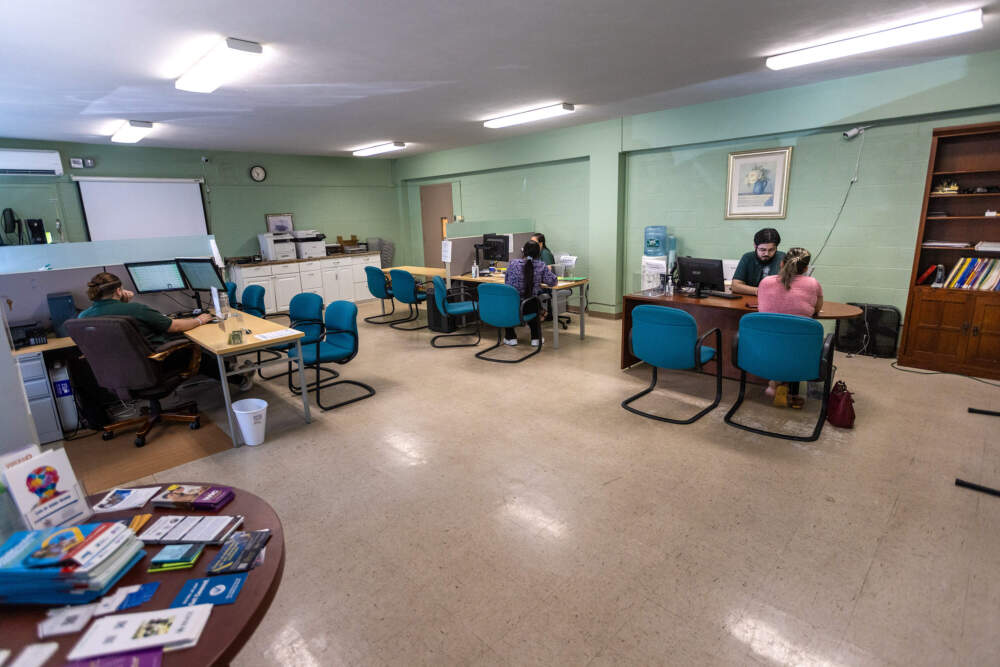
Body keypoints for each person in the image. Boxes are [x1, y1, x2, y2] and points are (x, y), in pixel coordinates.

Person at [78, 272, 250, 390]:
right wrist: (199, 319)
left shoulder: (83, 318)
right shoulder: (135, 309)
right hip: (154, 362)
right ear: (118, 291)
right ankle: (240, 379)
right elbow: (173, 326)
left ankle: (232, 370)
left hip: (119, 371)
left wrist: (123, 302)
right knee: (195, 351)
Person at [756, 247, 823, 408]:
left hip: (764, 345)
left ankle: (776, 383)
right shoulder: (812, 283)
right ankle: (787, 388)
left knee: (779, 338)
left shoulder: (765, 282)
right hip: (798, 348)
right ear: (806, 269)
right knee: (794, 338)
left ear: (781, 264)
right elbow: (816, 309)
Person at [504, 240, 557, 346]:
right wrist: (546, 271)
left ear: (523, 252)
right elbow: (553, 282)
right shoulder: (541, 265)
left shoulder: (513, 263)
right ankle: (536, 338)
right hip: (529, 306)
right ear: (538, 254)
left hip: (513, 306)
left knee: (508, 300)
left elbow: (507, 281)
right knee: (534, 300)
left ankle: (511, 337)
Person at [731, 228, 785, 296]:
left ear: (776, 247)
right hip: (749, 300)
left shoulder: (783, 258)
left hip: (774, 301)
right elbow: (735, 286)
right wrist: (761, 291)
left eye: (771, 250)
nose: (766, 254)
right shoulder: (747, 257)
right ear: (755, 246)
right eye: (762, 250)